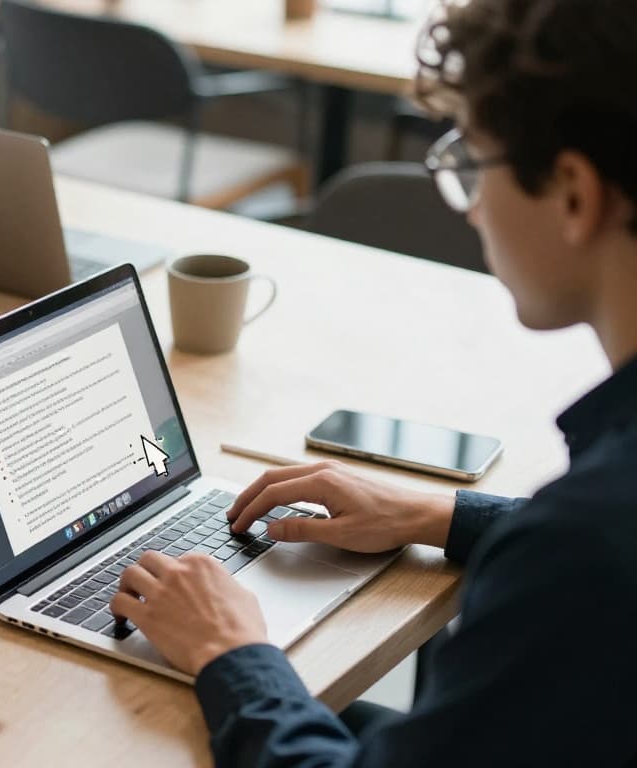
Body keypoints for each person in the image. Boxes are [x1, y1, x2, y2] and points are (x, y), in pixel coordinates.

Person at [110, 0, 637, 764]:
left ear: (575, 194)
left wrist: (232, 652)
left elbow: (588, 553)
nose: (473, 208)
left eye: (473, 168)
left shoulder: (580, 555)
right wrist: (437, 513)